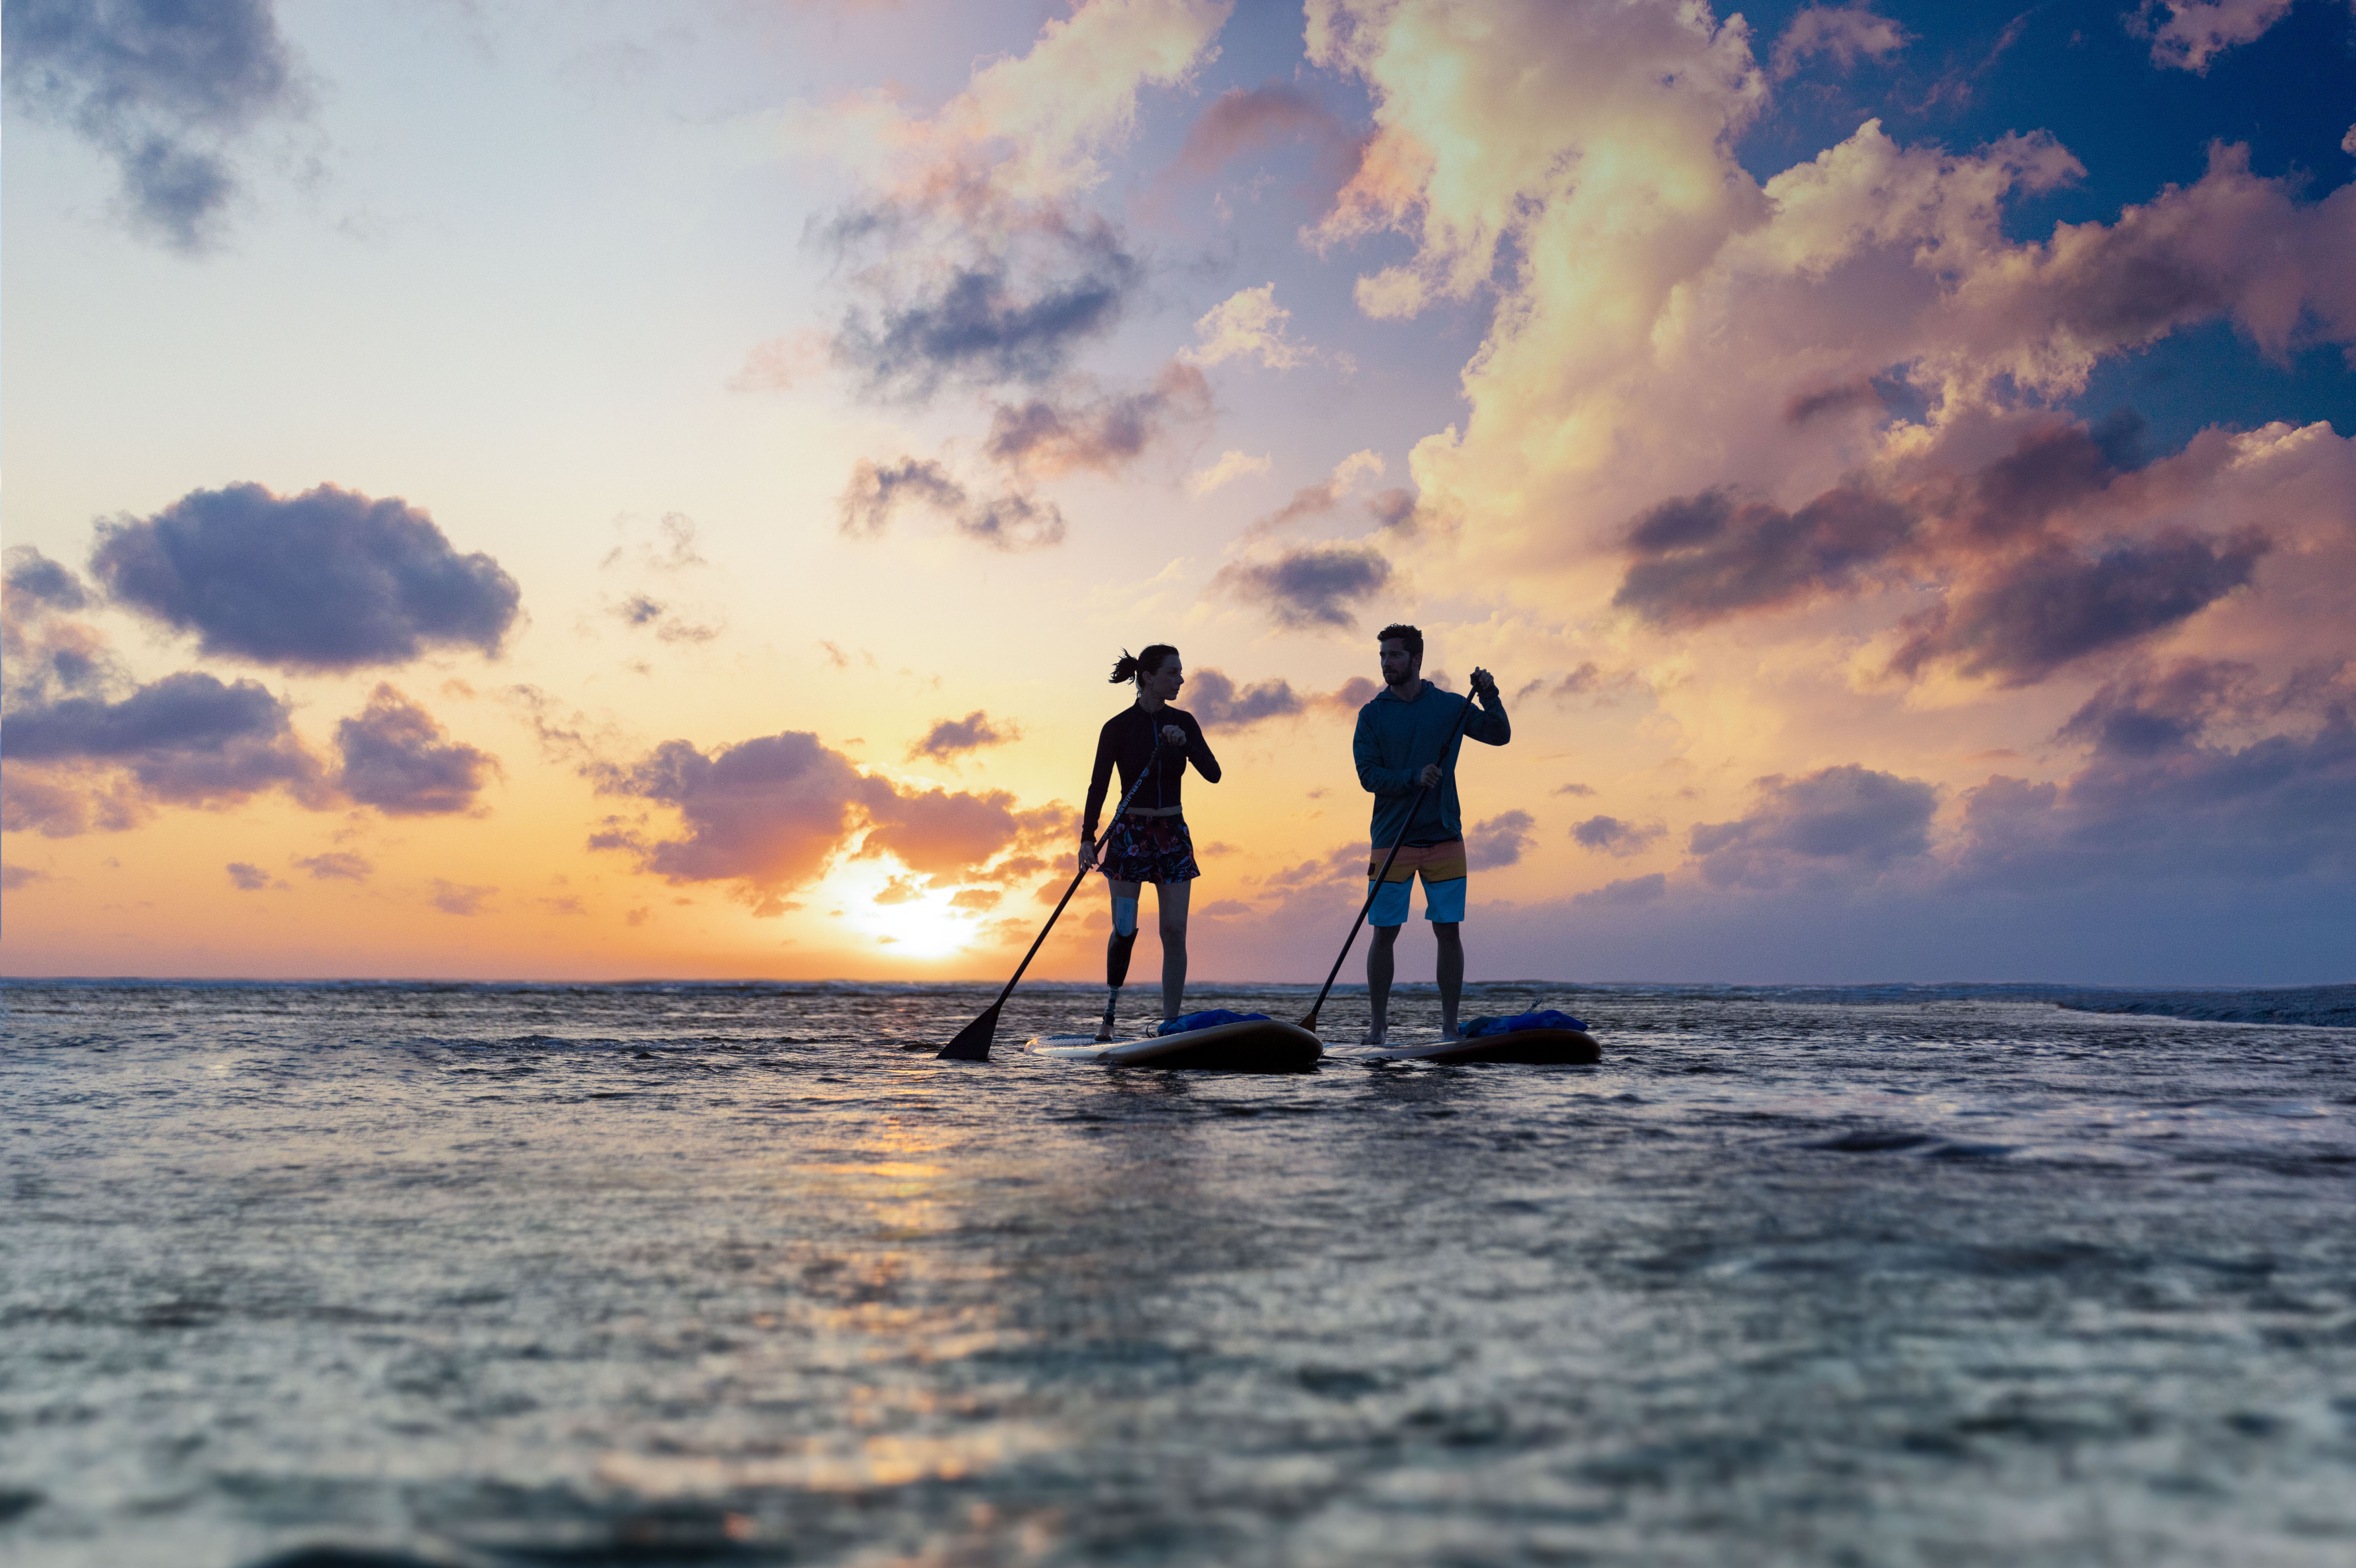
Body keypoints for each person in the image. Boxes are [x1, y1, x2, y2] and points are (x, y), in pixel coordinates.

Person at [1351, 623, 1509, 1044]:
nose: (1387, 663)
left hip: (1444, 835)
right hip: (1391, 839)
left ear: (1416, 660)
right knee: (1383, 932)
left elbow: (1499, 736)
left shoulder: (1450, 707)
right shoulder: (1372, 715)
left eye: (1395, 656)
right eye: (1383, 656)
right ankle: (1378, 1026)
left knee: (1448, 930)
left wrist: (1490, 693)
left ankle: (1448, 1027)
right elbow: (1368, 776)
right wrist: (1412, 777)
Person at [1078, 645, 1222, 1040]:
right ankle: (1109, 1017)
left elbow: (1214, 774)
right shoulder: (1118, 727)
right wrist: (1087, 838)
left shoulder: (1184, 722)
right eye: (1173, 673)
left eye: (1181, 672)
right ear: (1148, 677)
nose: (1180, 679)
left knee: (1174, 931)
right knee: (1124, 928)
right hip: (1128, 837)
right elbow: (1098, 786)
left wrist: (1186, 746)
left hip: (1172, 835)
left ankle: (1171, 1021)